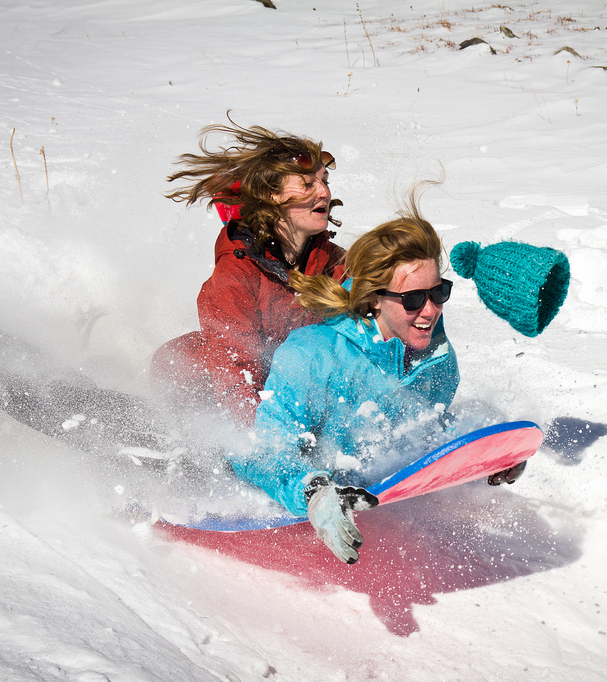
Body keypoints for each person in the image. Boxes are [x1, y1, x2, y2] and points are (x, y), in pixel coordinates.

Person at [225, 192, 467, 564]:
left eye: (439, 292)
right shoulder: (313, 356)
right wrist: (316, 492)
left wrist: (485, 456)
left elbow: (429, 425)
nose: (430, 311)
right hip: (250, 472)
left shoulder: (437, 359)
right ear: (373, 299)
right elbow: (261, 453)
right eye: (414, 299)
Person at [151, 121, 346, 426]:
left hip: (272, 395)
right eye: (308, 184)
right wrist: (273, 446)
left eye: (325, 180)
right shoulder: (235, 274)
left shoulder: (334, 265)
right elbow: (235, 376)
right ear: (271, 196)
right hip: (195, 389)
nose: (324, 191)